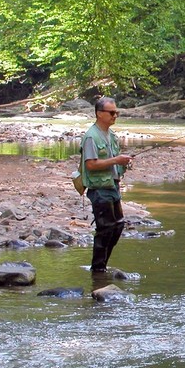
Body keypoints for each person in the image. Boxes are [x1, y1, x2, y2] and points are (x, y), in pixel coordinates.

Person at [80, 97, 133, 273]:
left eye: (116, 112)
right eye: (111, 113)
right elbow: (91, 164)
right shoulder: (91, 136)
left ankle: (102, 266)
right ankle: (98, 268)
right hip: (99, 189)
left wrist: (123, 163)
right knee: (105, 228)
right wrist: (116, 160)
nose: (115, 116)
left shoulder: (112, 136)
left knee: (117, 225)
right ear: (99, 114)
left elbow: (113, 161)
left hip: (113, 186)